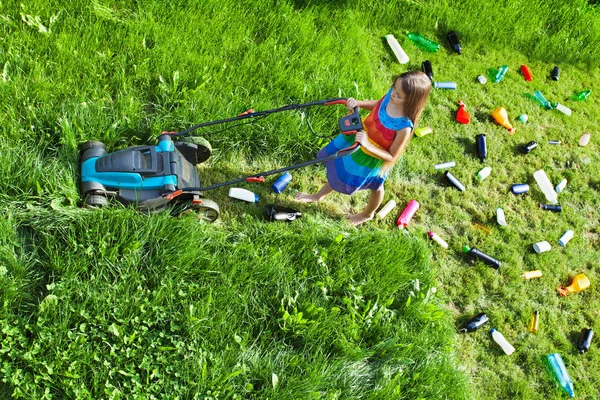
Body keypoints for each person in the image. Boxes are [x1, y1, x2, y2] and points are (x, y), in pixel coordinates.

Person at [295, 71, 431, 225]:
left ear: (411, 102)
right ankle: (318, 196)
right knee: (340, 170)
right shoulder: (392, 96)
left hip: (370, 158)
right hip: (358, 141)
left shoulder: (404, 127)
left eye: (399, 95)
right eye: (394, 88)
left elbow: (391, 156)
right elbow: (379, 105)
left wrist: (367, 144)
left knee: (376, 186)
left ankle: (367, 214)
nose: (393, 94)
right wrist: (359, 103)